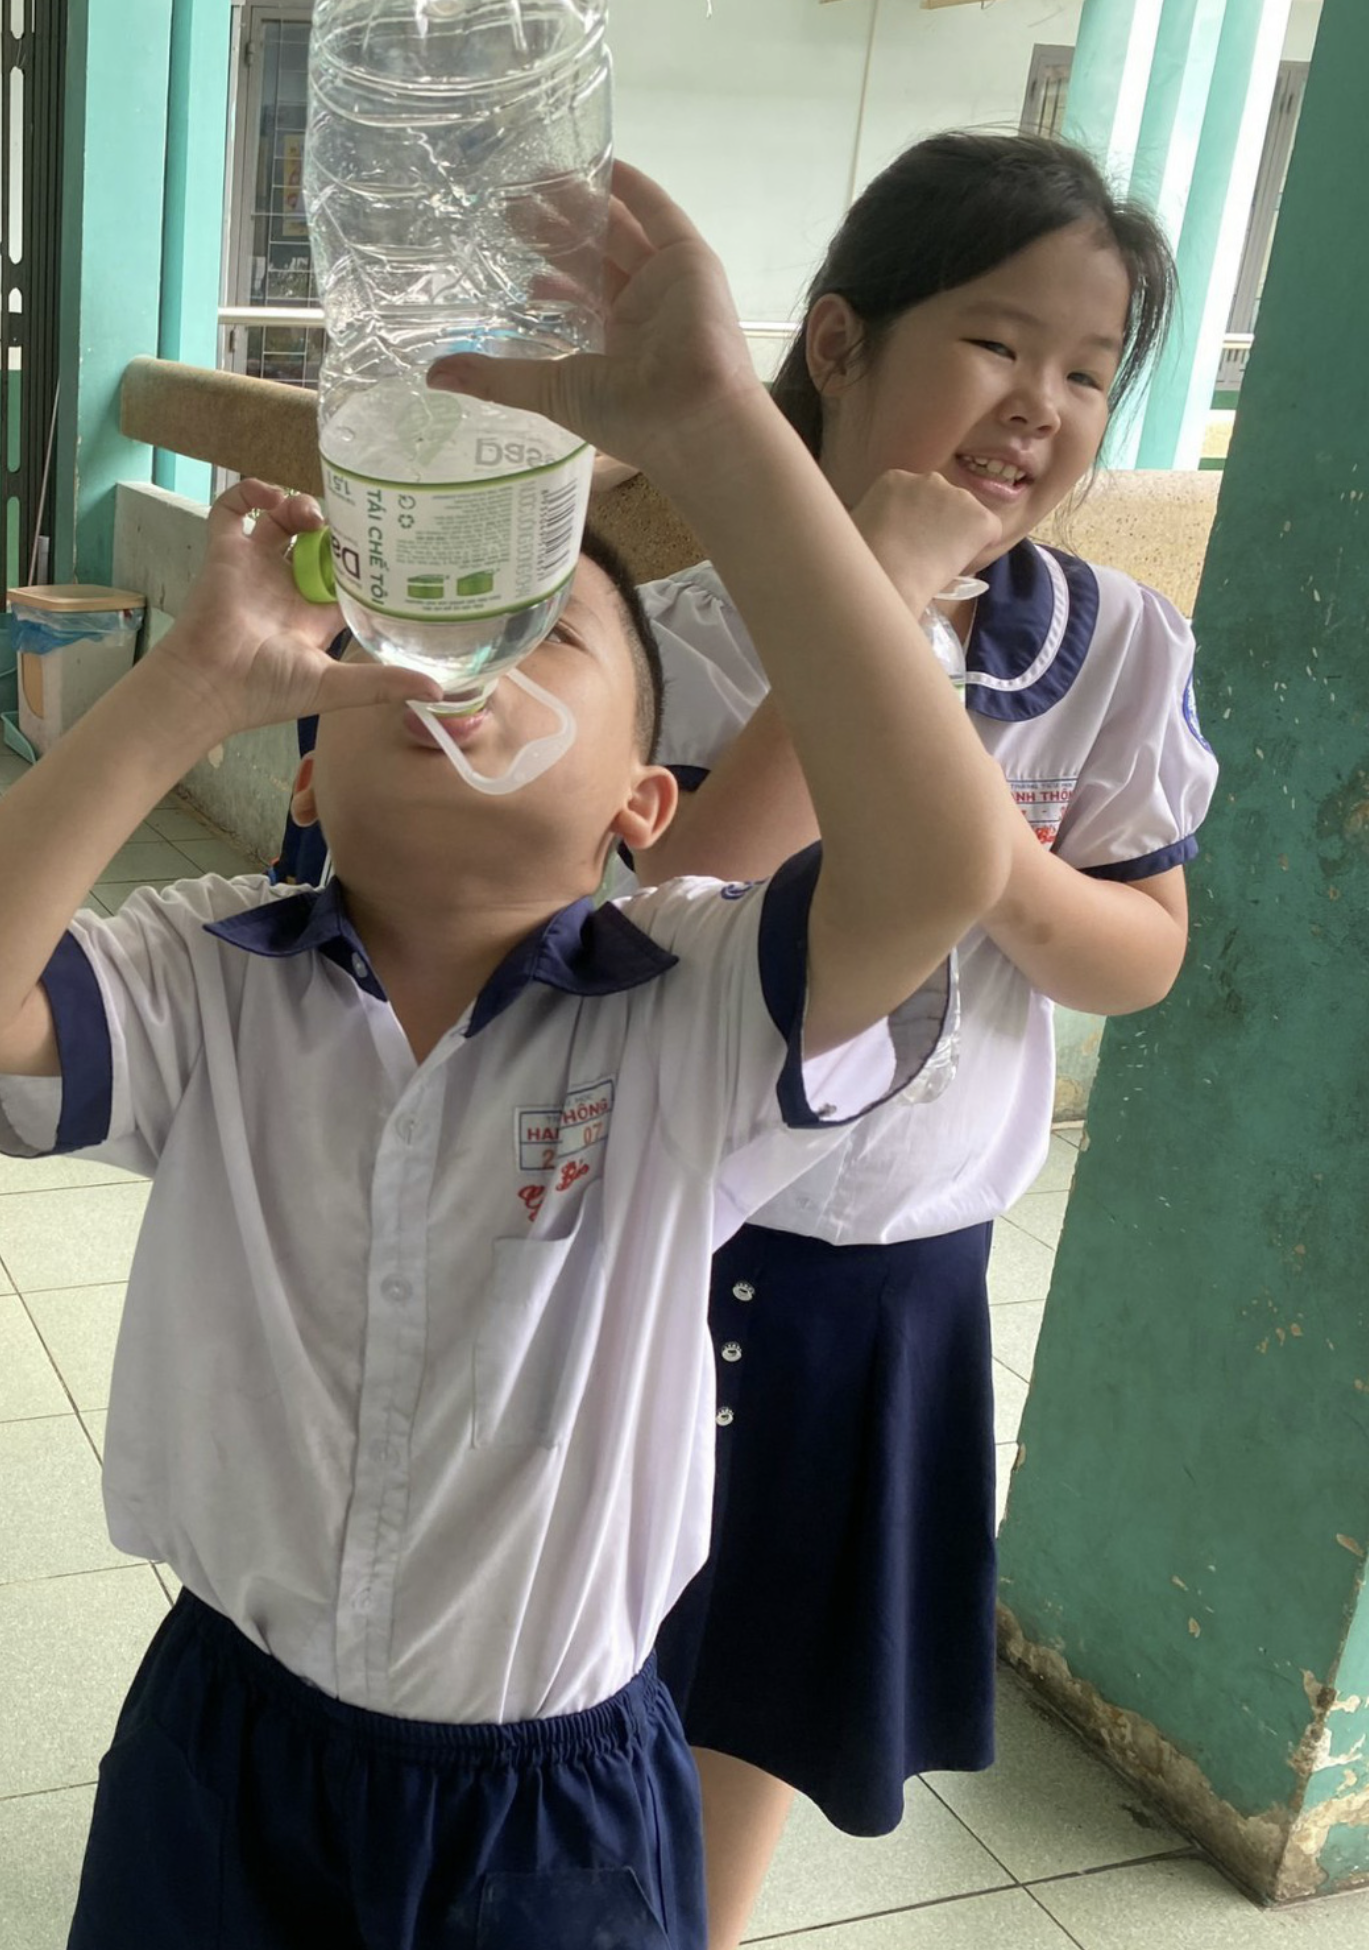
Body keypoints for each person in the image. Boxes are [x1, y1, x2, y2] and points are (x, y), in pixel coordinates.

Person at [0, 165, 1015, 1949]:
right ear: (308, 772)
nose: (449, 667)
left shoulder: (690, 1007)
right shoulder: (210, 974)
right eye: (394, 642)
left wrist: (719, 430)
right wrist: (187, 682)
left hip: (545, 1793)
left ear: (644, 812)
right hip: (226, 1735)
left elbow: (936, 867)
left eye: (536, 631)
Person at [623, 132, 1214, 1948]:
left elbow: (1138, 957)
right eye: (994, 341)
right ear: (832, 341)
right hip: (656, 1244)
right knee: (602, 1641)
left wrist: (987, 874)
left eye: (1089, 370)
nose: (1039, 404)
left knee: (772, 1680)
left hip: (891, 1271)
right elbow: (650, 944)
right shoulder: (668, 639)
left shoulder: (1108, 647)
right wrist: (862, 611)